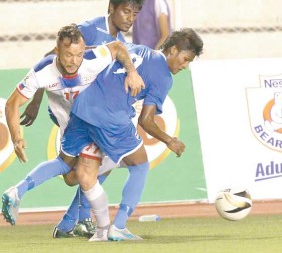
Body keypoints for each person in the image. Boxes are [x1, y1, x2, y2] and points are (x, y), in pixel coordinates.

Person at [13, 0, 144, 238]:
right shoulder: (90, 29)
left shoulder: (119, 43)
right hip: (70, 108)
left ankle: (73, 220)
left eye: (135, 14)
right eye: (126, 12)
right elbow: (52, 58)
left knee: (88, 169)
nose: (130, 18)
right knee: (82, 167)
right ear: (111, 9)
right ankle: (75, 217)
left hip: (91, 113)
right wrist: (36, 100)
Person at [60, 28, 203, 241]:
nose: (184, 66)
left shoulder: (138, 49)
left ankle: (65, 220)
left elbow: (106, 52)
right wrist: (169, 140)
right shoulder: (164, 76)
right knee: (140, 165)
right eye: (185, 59)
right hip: (112, 119)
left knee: (83, 171)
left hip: (84, 108)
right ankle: (118, 226)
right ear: (173, 50)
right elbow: (146, 120)